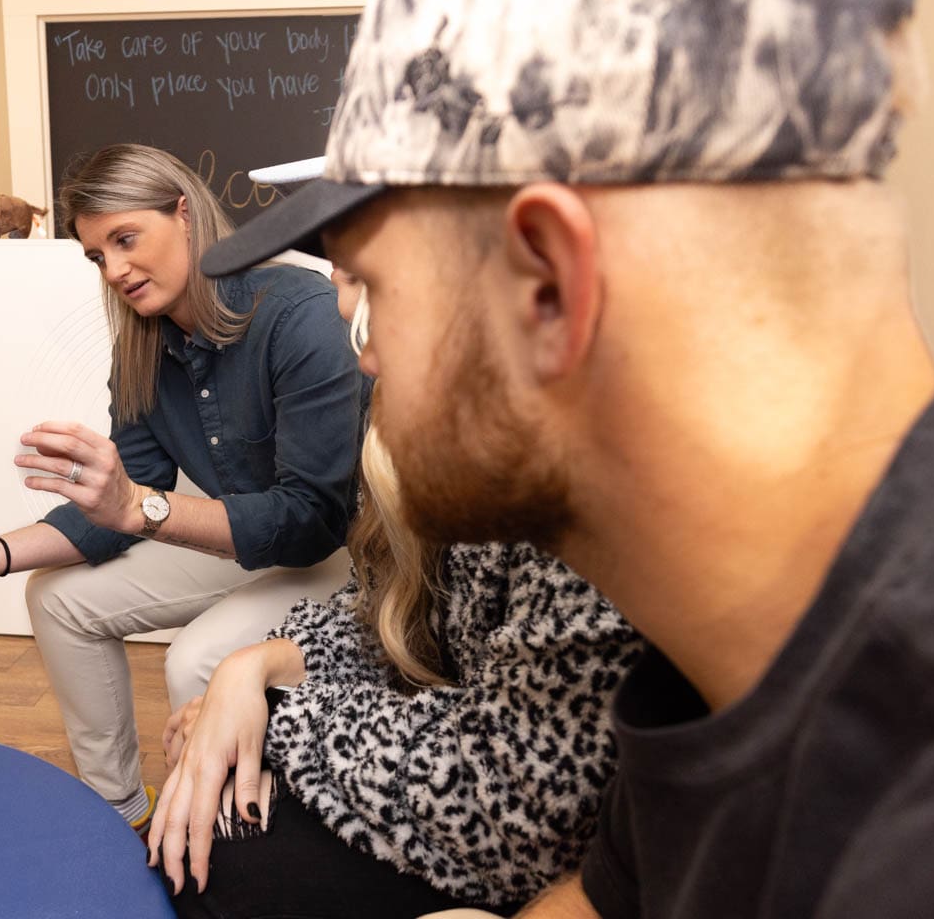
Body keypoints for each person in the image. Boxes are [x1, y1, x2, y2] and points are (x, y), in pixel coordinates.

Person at [197, 0, 934, 917]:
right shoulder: (741, 616)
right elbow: (618, 888)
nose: (370, 347)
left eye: (378, 284)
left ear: (549, 289)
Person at [145, 277, 643, 917]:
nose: (341, 302)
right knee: (207, 815)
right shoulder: (432, 431)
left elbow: (516, 796)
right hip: (464, 772)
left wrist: (276, 716)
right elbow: (386, 608)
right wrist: (260, 664)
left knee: (218, 852)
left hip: (531, 839)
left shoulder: (574, 487)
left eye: (362, 273)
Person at [0, 143, 366, 832]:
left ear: (185, 214)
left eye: (125, 239)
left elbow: (312, 521)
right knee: (56, 599)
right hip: (256, 538)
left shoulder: (301, 315)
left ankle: (216, 846)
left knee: (198, 656)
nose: (112, 270)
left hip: (347, 550)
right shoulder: (144, 344)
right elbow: (116, 509)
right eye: (95, 256)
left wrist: (140, 507)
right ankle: (119, 818)